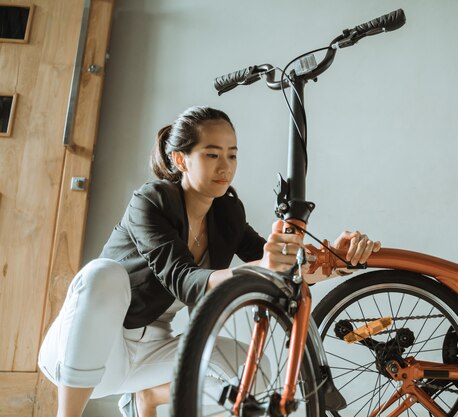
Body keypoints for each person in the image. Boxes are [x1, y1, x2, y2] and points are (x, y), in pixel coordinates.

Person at [38, 106, 381, 417]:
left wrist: (335, 260)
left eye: (232, 155)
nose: (225, 166)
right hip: (89, 353)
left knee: (256, 379)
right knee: (103, 274)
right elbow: (184, 279)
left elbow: (278, 270)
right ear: (180, 159)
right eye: (212, 154)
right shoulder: (151, 202)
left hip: (154, 352)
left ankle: (148, 396)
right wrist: (261, 267)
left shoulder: (228, 212)